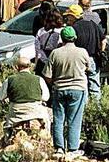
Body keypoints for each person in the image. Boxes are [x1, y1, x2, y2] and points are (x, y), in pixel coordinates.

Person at [43, 26, 91, 156]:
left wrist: (54, 84)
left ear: (62, 38)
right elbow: (89, 68)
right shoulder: (82, 52)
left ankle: (59, 147)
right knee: (74, 119)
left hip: (59, 88)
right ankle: (73, 148)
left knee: (58, 119)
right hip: (77, 89)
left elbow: (47, 75)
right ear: (74, 38)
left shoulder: (55, 53)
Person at [0, 56, 51, 134]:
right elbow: (46, 97)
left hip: (16, 114)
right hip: (35, 111)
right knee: (46, 119)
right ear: (29, 67)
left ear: (16, 67)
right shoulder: (39, 79)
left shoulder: (10, 79)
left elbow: (0, 96)